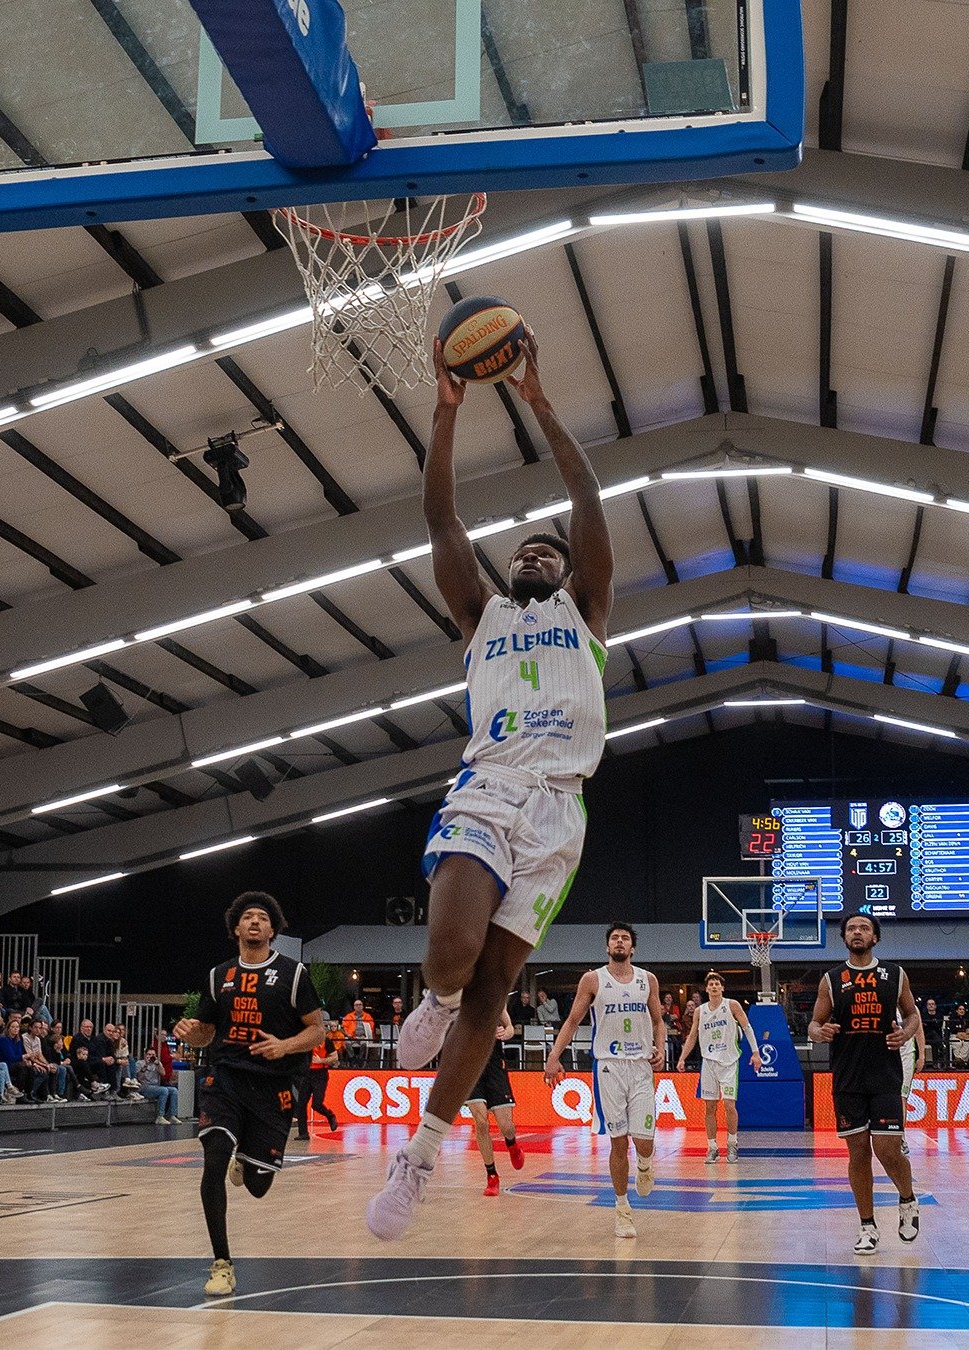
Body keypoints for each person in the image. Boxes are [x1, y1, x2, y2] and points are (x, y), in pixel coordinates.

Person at [368, 331, 614, 1241]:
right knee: (451, 957)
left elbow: (587, 499)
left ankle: (419, 1157)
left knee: (495, 989)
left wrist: (539, 398)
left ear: (572, 574)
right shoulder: (481, 616)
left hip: (560, 809)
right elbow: (442, 522)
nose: (537, 555)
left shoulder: (587, 614)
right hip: (490, 785)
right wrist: (447, 412)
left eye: (550, 552)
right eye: (525, 551)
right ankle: (431, 1000)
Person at [173, 891, 324, 1298]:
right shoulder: (218, 975)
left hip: (274, 1086)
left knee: (257, 1185)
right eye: (247, 917)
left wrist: (285, 1046)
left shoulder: (293, 973)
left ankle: (247, 1160)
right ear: (236, 928)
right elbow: (206, 1033)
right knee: (212, 1160)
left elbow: (317, 1030)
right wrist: (190, 1032)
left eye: (262, 918)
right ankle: (222, 1263)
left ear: (273, 930)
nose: (255, 921)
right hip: (225, 1079)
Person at [808, 911, 921, 1255]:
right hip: (848, 1077)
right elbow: (814, 1023)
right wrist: (820, 1032)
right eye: (852, 928)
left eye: (864, 928)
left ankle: (907, 1199)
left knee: (887, 1150)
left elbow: (912, 1014)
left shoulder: (895, 974)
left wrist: (907, 1033)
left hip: (885, 1075)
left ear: (875, 937)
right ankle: (867, 1226)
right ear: (844, 937)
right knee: (858, 1152)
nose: (857, 932)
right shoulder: (831, 979)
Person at [545, 925, 664, 1239]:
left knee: (644, 1140)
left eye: (625, 938)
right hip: (608, 1067)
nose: (619, 942)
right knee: (618, 1142)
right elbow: (573, 1020)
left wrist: (661, 1049)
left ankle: (645, 1163)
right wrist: (554, 1056)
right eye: (614, 938)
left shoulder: (648, 980)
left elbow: (658, 1021)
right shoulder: (593, 979)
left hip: (641, 1066)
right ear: (607, 947)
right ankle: (622, 1210)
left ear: (632, 948)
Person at [677, 973, 762, 1164]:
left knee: (729, 1105)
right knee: (710, 1107)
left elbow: (747, 1028)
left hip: (729, 1061)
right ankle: (712, 1147)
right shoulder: (700, 1011)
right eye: (711, 984)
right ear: (706, 989)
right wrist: (682, 1058)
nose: (714, 986)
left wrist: (755, 1053)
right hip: (709, 1062)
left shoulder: (732, 1005)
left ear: (722, 988)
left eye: (717, 984)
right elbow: (692, 1036)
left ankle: (732, 1144)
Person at [465, 1007, 524, 1197]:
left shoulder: (495, 999)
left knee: (506, 1126)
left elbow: (510, 1028)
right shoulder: (455, 1002)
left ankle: (512, 1144)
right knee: (481, 1122)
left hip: (494, 1066)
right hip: (469, 1068)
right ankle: (492, 1175)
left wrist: (506, 1033)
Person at [897, 1012, 926, 1158]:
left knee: (901, 1097)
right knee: (889, 1097)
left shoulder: (910, 1008)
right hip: (886, 1056)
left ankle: (901, 1138)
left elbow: (919, 1031)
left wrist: (922, 1056)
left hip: (906, 1055)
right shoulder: (884, 1003)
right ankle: (890, 1134)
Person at [302, 1028, 339, 1134]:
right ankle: (303, 1132)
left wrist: (321, 1060)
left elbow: (335, 1057)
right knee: (301, 1104)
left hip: (320, 1073)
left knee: (316, 1104)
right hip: (307, 1073)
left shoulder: (326, 1041)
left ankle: (330, 1115)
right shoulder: (306, 1041)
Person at [138, 1047, 180, 1124]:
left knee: (174, 1090)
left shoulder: (157, 1063)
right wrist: (146, 1065)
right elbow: (139, 1077)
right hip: (144, 1087)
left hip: (156, 1087)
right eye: (149, 1054)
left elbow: (163, 1073)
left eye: (153, 1055)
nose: (150, 1056)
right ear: (145, 1055)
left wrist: (158, 1065)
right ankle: (160, 1116)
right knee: (164, 1090)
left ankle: (172, 1115)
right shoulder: (140, 1063)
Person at [341, 1000, 376, 1068]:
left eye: (360, 1005)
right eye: (356, 1005)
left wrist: (365, 1035)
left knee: (364, 1043)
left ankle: (360, 1059)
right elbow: (345, 1027)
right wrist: (348, 1034)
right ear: (354, 1007)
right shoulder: (348, 1016)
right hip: (352, 1037)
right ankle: (352, 1058)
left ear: (362, 1006)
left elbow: (371, 1028)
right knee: (346, 1042)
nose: (358, 1006)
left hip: (363, 1037)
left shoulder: (368, 1016)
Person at [919, 998, 942, 1068]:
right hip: (926, 1036)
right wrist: (933, 1023)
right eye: (929, 1004)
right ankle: (937, 1060)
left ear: (935, 1006)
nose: (931, 1005)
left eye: (932, 1004)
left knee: (934, 1041)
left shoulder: (939, 1015)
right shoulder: (923, 1015)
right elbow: (925, 1027)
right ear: (927, 1006)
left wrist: (928, 1023)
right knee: (933, 1033)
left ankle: (934, 1063)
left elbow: (939, 1025)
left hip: (936, 1037)